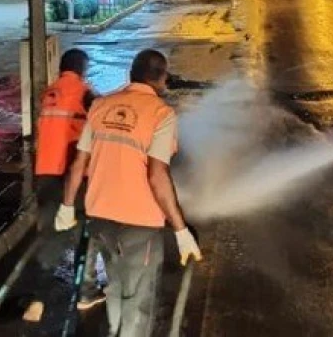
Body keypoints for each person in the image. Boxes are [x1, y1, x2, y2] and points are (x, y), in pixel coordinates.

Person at [56, 49, 201, 337]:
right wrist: (181, 230)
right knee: (138, 301)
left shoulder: (100, 106)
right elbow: (157, 175)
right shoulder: (161, 113)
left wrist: (67, 206)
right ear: (161, 79)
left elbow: (79, 164)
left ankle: (114, 331)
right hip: (140, 223)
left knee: (116, 285)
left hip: (100, 217)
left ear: (130, 75)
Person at [23, 49, 103, 322]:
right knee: (87, 232)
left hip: (45, 174)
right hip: (73, 175)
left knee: (50, 236)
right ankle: (86, 292)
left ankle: (37, 300)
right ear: (82, 68)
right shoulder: (85, 93)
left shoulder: (49, 94)